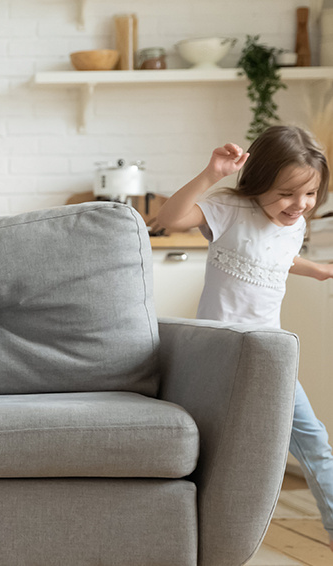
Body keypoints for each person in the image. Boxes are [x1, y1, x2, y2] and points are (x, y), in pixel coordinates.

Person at [156, 124, 333, 551]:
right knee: (217, 452)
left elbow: (278, 256)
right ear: (259, 182)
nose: (299, 206)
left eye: (310, 195)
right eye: (288, 194)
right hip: (220, 354)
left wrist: (319, 268)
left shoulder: (291, 223)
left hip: (269, 356)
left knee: (315, 442)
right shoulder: (229, 210)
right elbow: (170, 219)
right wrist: (210, 173)